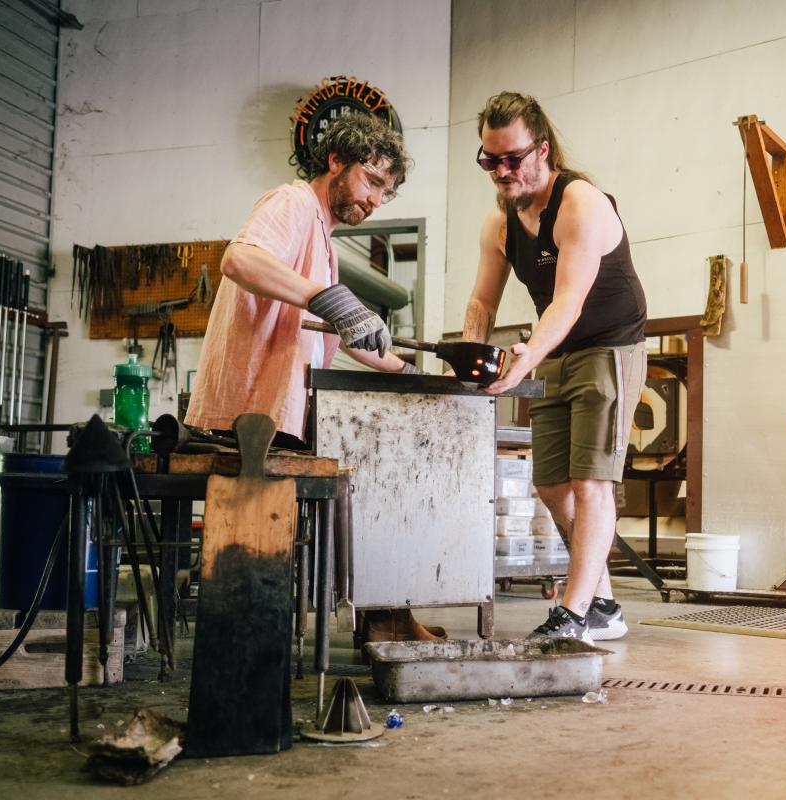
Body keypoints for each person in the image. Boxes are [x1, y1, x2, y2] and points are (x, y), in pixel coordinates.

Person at [186, 112, 442, 642]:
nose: (375, 201)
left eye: (386, 194)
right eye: (372, 180)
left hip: (275, 416)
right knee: (364, 484)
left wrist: (410, 370)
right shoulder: (293, 202)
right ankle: (378, 620)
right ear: (335, 161)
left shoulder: (322, 239)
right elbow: (239, 260)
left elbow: (344, 334)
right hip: (247, 416)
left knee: (369, 480)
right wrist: (329, 297)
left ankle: (382, 616)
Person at [463, 91, 648, 643]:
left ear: (542, 150)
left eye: (513, 158)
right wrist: (473, 358)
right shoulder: (498, 224)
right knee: (550, 485)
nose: (501, 171)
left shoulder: (581, 203)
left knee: (591, 483)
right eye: (489, 160)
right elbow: (481, 303)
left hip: (609, 345)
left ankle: (571, 617)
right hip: (558, 348)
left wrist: (526, 357)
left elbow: (567, 301)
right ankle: (605, 603)